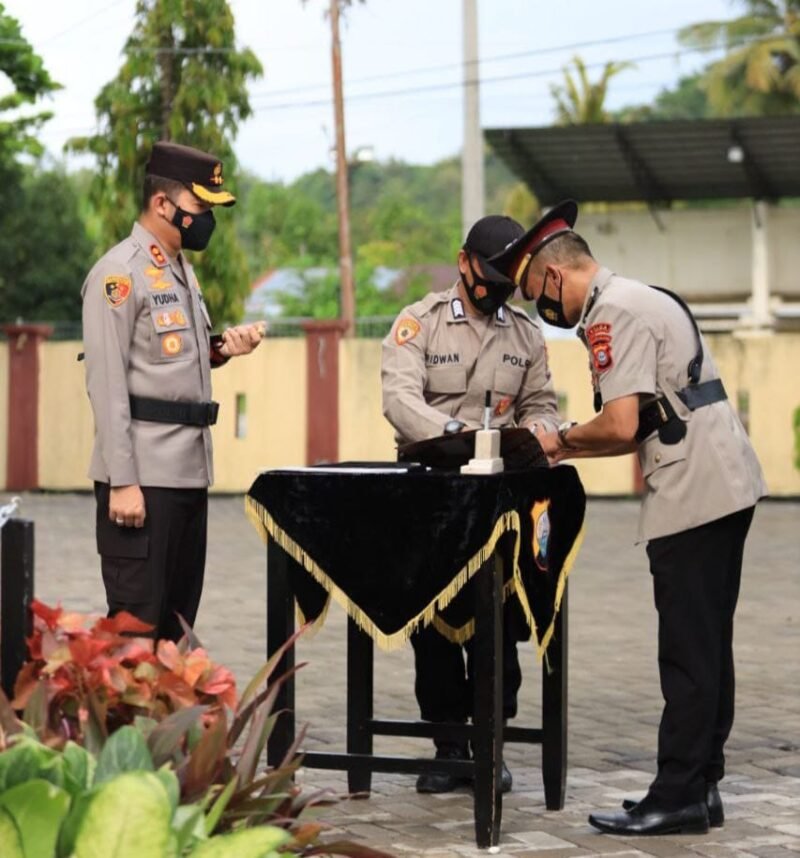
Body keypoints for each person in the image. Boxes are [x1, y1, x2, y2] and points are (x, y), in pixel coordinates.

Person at [487, 200, 766, 835]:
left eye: (536, 295)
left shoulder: (612, 313)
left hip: (694, 486)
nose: (540, 310)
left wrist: (557, 440)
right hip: (723, 477)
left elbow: (620, 426)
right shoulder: (642, 296)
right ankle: (702, 786)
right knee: (708, 644)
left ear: (555, 277)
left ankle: (678, 794)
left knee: (688, 650)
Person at [381, 214, 561, 793]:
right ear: (464, 263)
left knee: (501, 623)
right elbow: (399, 399)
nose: (496, 287)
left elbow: (541, 405)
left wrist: (536, 433)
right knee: (431, 623)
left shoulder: (526, 335)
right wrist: (459, 433)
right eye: (488, 274)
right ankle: (447, 746)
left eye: (508, 278)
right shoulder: (420, 323)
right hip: (431, 492)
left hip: (498, 495)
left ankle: (489, 744)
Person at [81, 140, 264, 642]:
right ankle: (126, 726)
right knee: (135, 636)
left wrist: (221, 349)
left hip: (187, 475)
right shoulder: (119, 274)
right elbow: (108, 380)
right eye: (200, 207)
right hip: (142, 478)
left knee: (176, 634)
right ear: (163, 204)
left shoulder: (179, 269)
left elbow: (170, 356)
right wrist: (122, 480)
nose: (206, 219)